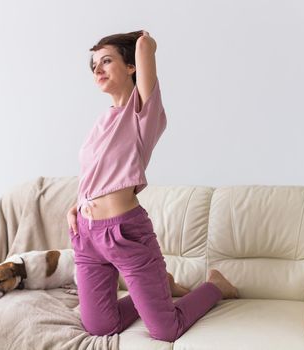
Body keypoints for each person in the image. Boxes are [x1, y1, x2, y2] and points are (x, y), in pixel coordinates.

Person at [66, 30, 239, 342]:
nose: (98, 70)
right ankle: (161, 288)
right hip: (87, 235)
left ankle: (216, 285)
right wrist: (74, 207)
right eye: (94, 66)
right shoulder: (102, 121)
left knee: (165, 329)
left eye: (107, 61)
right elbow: (93, 175)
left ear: (131, 66)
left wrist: (137, 40)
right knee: (100, 327)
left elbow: (146, 45)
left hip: (124, 233)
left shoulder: (142, 113)